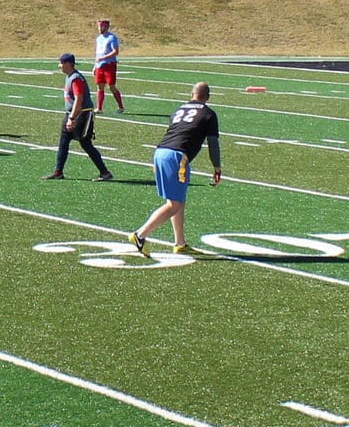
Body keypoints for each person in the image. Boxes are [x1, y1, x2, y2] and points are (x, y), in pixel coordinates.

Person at [131, 83, 222, 255]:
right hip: (177, 156)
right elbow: (213, 143)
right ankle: (140, 235)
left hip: (160, 152)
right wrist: (217, 167)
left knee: (177, 199)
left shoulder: (178, 110)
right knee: (174, 204)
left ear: (191, 94)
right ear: (208, 97)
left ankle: (179, 242)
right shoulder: (209, 114)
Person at [45, 52, 112, 180]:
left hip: (82, 114)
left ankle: (105, 172)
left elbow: (78, 99)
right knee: (63, 141)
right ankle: (58, 171)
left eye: (61, 63)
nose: (59, 66)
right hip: (72, 113)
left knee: (85, 143)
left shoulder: (76, 78)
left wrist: (71, 118)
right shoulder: (69, 76)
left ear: (68, 64)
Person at [92, 19, 124, 115]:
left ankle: (120, 106)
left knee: (111, 86)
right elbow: (97, 53)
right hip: (99, 66)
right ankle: (99, 108)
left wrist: (103, 58)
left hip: (109, 65)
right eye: (99, 26)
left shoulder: (111, 37)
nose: (100, 29)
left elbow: (115, 51)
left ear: (106, 27)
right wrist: (95, 66)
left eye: (101, 26)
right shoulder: (98, 38)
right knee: (99, 86)